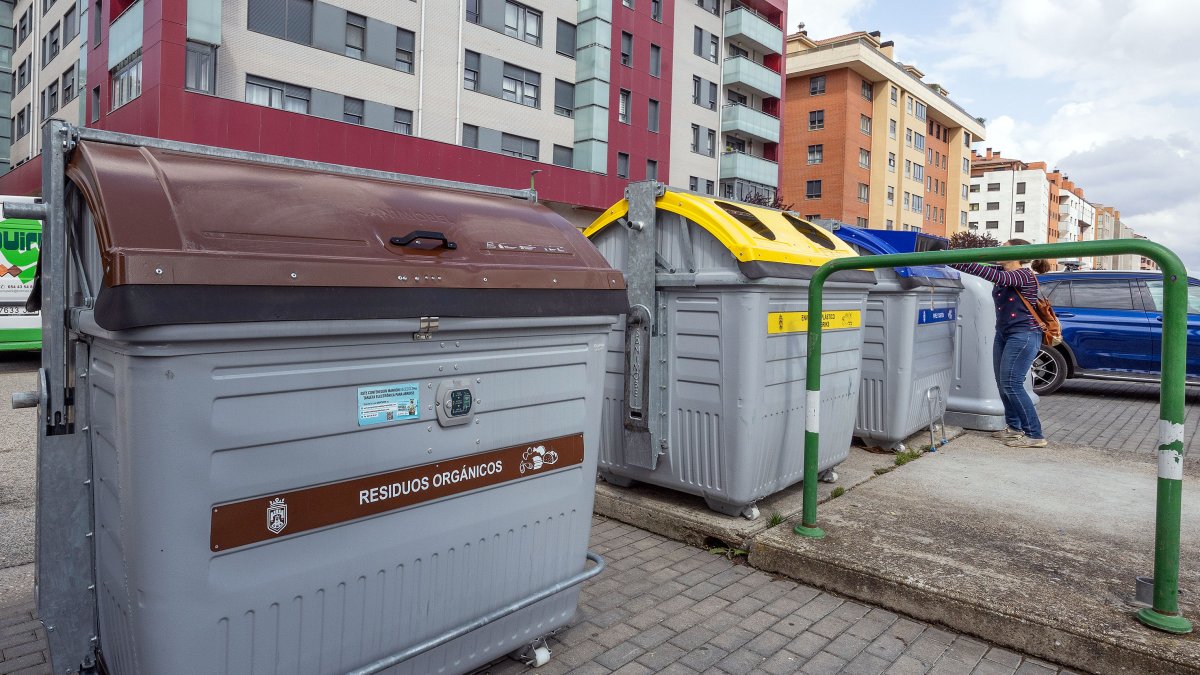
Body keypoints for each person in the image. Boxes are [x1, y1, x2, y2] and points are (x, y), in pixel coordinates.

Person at [951, 239, 1048, 448]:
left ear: (1017, 254)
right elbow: (969, 267)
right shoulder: (1002, 271)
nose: (998, 250)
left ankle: (1035, 435)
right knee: (1003, 384)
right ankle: (1014, 428)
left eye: (1003, 247)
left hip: (1024, 334)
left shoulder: (1022, 274)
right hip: (1004, 334)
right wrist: (945, 257)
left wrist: (973, 259)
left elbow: (992, 275)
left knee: (1012, 384)